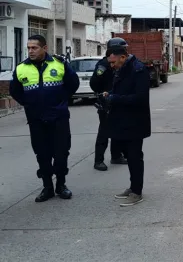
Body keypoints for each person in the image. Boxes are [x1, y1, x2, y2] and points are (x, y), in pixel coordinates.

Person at [9, 35, 80, 202]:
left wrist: (61, 101)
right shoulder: (21, 68)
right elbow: (15, 91)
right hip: (36, 120)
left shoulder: (59, 64)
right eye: (29, 48)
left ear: (44, 48)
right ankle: (47, 187)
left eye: (34, 47)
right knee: (42, 154)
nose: (31, 51)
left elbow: (73, 84)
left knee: (61, 153)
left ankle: (61, 185)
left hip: (59, 118)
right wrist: (29, 104)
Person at [103, 45, 151, 206]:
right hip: (122, 120)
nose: (111, 65)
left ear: (123, 57)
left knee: (134, 156)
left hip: (135, 121)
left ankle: (137, 192)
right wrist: (109, 94)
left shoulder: (138, 70)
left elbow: (141, 98)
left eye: (113, 61)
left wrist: (115, 98)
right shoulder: (123, 69)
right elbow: (121, 89)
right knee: (128, 155)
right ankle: (132, 187)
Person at [89, 38, 129, 171]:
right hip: (106, 103)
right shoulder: (104, 65)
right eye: (123, 48)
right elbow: (94, 84)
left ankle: (116, 156)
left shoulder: (122, 63)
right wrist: (103, 93)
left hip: (117, 101)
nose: (126, 50)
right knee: (104, 132)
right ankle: (98, 161)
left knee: (118, 130)